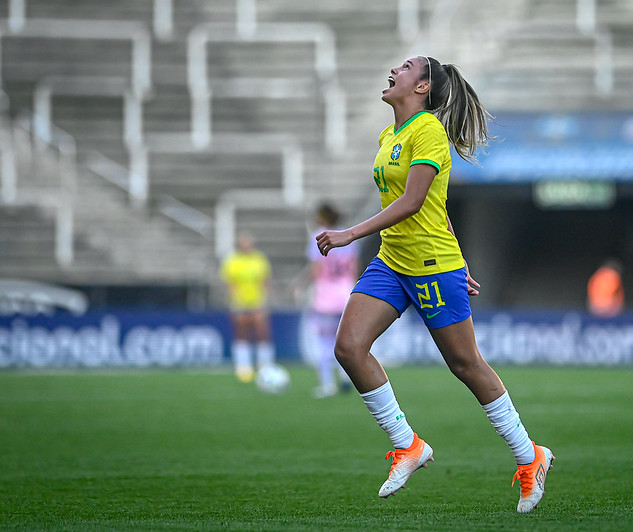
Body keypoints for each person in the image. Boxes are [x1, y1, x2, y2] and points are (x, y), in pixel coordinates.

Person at [314, 56, 554, 514]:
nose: (392, 71)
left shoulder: (428, 131)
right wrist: (460, 253)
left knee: (466, 365)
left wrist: (349, 234)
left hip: (429, 266)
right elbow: (436, 207)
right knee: (348, 347)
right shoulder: (391, 135)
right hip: (393, 262)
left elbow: (414, 200)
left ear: (422, 86)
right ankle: (408, 445)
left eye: (404, 68)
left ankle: (530, 456)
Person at [304, 202, 358, 398]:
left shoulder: (318, 237)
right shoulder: (349, 237)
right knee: (344, 339)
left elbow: (316, 268)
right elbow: (353, 267)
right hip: (345, 293)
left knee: (324, 341)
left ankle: (327, 384)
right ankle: (345, 377)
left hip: (325, 295)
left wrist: (302, 286)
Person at [220, 232, 275, 382]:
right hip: (240, 303)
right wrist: (233, 301)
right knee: (241, 333)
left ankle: (265, 365)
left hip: (257, 302)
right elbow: (229, 284)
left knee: (262, 332)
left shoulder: (259, 259)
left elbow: (265, 281)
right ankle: (243, 366)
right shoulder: (232, 261)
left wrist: (265, 300)